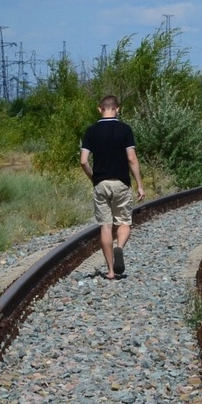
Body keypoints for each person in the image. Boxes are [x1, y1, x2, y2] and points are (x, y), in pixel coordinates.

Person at [79, 94, 145, 280]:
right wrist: (139, 184)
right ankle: (119, 247)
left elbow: (83, 161)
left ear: (99, 109)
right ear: (118, 109)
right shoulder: (125, 130)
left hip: (101, 184)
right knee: (124, 222)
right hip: (121, 182)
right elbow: (131, 158)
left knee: (105, 227)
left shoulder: (91, 131)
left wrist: (94, 178)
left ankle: (109, 271)